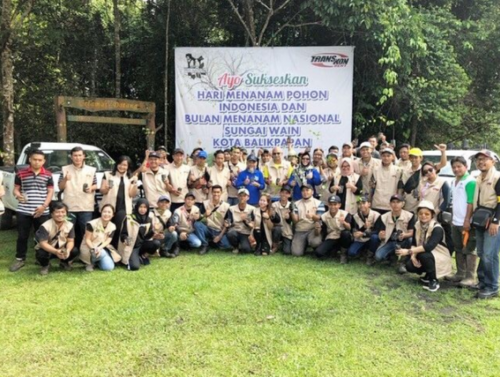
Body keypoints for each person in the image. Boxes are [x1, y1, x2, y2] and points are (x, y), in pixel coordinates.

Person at [9, 149, 54, 272]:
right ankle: (20, 259)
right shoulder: (21, 174)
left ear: (44, 161)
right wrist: (18, 195)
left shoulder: (48, 175)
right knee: (22, 236)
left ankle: (42, 259)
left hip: (42, 210)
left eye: (40, 160)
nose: (37, 162)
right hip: (24, 210)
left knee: (42, 237)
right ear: (29, 159)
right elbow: (16, 189)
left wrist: (44, 206)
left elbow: (50, 192)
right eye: (35, 159)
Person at [396, 200, 452, 292]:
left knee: (424, 255)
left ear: (432, 215)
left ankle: (434, 280)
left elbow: (429, 246)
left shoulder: (437, 228)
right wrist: (413, 257)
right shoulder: (417, 225)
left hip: (439, 254)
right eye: (421, 213)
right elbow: (414, 243)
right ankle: (428, 275)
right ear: (417, 214)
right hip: (424, 252)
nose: (423, 216)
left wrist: (408, 251)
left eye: (427, 214)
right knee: (410, 265)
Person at [471, 150, 500, 299]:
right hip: (480, 219)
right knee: (482, 252)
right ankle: (482, 282)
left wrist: (496, 221)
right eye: (478, 160)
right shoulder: (478, 178)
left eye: (484, 159)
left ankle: (492, 286)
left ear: (493, 161)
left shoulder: (497, 177)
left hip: (493, 220)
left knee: (490, 254)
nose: (481, 162)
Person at [446, 156, 477, 287]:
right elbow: (455, 202)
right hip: (456, 221)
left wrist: (467, 220)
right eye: (454, 167)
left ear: (466, 167)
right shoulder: (454, 181)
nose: (456, 169)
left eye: (459, 166)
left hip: (467, 222)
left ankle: (470, 277)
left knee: (469, 249)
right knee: (458, 247)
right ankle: (460, 273)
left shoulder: (470, 181)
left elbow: (470, 202)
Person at [59, 146, 97, 251]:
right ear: (71, 157)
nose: (77, 158)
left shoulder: (91, 169)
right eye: (75, 155)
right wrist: (65, 179)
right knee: (67, 231)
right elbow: (60, 187)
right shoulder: (64, 169)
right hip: (69, 206)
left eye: (80, 155)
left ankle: (85, 254)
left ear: (84, 156)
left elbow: (95, 185)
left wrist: (91, 188)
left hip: (86, 206)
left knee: (86, 232)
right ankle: (68, 254)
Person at [100, 155, 139, 247]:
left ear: (128, 166)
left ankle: (117, 247)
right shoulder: (108, 174)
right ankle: (106, 247)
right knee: (108, 228)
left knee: (119, 228)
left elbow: (132, 194)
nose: (122, 167)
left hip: (123, 207)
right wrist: (107, 188)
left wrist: (135, 183)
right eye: (120, 164)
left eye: (125, 165)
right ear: (117, 164)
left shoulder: (130, 177)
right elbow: (102, 191)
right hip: (109, 206)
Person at [35, 202, 80, 275]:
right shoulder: (45, 225)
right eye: (57, 212)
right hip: (49, 249)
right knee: (41, 253)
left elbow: (71, 241)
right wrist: (56, 251)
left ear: (66, 213)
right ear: (52, 214)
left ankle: (64, 262)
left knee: (74, 250)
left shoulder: (70, 225)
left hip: (61, 248)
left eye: (63, 212)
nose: (60, 214)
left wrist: (67, 251)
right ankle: (45, 265)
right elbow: (43, 244)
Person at [118, 198, 162, 270]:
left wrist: (154, 232)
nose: (142, 209)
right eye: (140, 207)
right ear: (137, 207)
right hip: (132, 246)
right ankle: (134, 257)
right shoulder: (129, 218)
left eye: (145, 207)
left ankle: (143, 256)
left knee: (156, 243)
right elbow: (123, 234)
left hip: (142, 244)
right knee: (135, 267)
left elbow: (147, 237)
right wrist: (125, 239)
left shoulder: (148, 220)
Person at [372, 194, 415, 265]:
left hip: (403, 241)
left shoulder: (410, 216)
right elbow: (381, 232)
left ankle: (404, 261)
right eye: (393, 202)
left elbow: (411, 232)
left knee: (411, 239)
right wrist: (381, 235)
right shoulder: (384, 216)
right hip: (390, 242)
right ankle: (391, 257)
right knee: (378, 257)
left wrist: (404, 235)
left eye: (398, 202)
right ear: (390, 204)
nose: (395, 204)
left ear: (403, 204)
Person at [80, 204, 121, 272]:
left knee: (109, 267)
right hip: (90, 247)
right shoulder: (91, 224)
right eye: (104, 211)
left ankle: (97, 262)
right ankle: (90, 263)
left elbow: (109, 239)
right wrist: (94, 249)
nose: (106, 214)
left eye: (109, 212)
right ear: (101, 212)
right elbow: (87, 239)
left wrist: (100, 248)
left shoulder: (112, 226)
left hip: (101, 248)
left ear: (113, 214)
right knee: (99, 253)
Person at [194, 185, 232, 254]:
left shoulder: (226, 206)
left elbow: (227, 224)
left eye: (218, 192)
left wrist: (219, 236)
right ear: (211, 192)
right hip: (207, 228)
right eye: (214, 192)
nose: (216, 194)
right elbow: (197, 218)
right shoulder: (205, 203)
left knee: (226, 245)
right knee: (197, 224)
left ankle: (211, 241)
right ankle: (205, 244)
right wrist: (204, 214)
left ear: (221, 193)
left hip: (218, 230)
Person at [315, 195, 353, 263]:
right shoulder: (324, 216)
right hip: (332, 236)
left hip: (342, 236)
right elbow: (321, 232)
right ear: (328, 205)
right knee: (319, 253)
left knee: (346, 233)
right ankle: (333, 250)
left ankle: (343, 254)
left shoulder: (345, 214)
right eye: (330, 204)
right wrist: (317, 228)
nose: (332, 207)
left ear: (339, 205)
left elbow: (349, 228)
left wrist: (343, 222)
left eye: (335, 204)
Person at [290, 184, 325, 257]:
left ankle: (314, 246)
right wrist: (292, 212)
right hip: (300, 230)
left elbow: (320, 218)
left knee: (315, 242)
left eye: (307, 190)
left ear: (312, 192)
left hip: (312, 230)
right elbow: (295, 221)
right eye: (303, 190)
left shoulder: (319, 203)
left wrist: (312, 216)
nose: (305, 192)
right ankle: (303, 244)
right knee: (296, 253)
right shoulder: (296, 204)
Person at [348, 195, 381, 265]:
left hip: (371, 238)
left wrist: (364, 233)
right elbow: (354, 229)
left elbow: (378, 231)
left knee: (375, 237)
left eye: (363, 203)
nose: (361, 205)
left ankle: (370, 256)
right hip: (361, 239)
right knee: (351, 253)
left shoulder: (376, 215)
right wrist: (356, 233)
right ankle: (362, 252)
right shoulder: (356, 216)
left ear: (369, 204)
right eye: (359, 203)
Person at [370, 148, 403, 215]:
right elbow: (372, 186)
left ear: (393, 157)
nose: (386, 158)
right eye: (384, 156)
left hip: (391, 205)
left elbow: (400, 188)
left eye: (388, 156)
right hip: (377, 203)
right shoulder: (375, 169)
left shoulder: (398, 170)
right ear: (381, 157)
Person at [225, 188, 256, 254]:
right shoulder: (231, 208)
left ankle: (243, 244)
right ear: (237, 197)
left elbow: (253, 225)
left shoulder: (252, 209)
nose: (242, 197)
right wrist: (228, 224)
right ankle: (235, 246)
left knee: (246, 250)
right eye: (240, 195)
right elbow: (228, 220)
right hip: (235, 230)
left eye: (244, 196)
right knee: (230, 233)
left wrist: (245, 220)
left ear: (248, 197)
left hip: (246, 232)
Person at [166, 148, 191, 213]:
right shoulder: (167, 168)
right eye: (177, 155)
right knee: (174, 220)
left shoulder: (188, 168)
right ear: (173, 156)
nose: (179, 157)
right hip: (172, 200)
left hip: (185, 199)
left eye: (181, 155)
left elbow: (189, 183)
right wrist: (172, 190)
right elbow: (165, 183)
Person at [271, 185, 294, 254]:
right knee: (277, 229)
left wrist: (289, 217)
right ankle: (275, 245)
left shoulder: (292, 205)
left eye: (286, 193)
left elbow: (294, 222)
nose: (284, 194)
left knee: (287, 251)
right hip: (278, 229)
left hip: (288, 231)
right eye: (282, 192)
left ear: (289, 195)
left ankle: (281, 243)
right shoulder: (274, 205)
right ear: (280, 193)